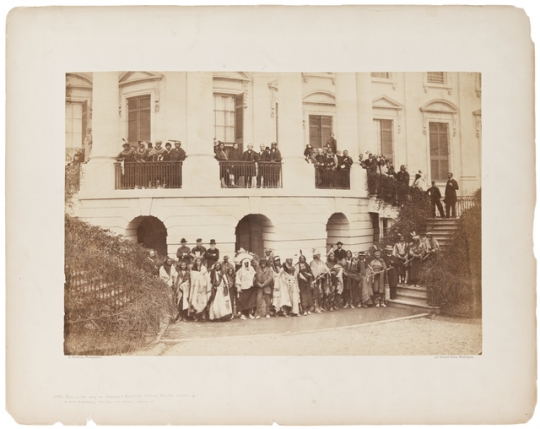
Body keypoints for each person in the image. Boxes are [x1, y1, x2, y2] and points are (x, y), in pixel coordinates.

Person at [235, 252, 257, 320]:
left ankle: (250, 313)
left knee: (250, 301)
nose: (246, 264)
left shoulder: (252, 270)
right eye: (245, 263)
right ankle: (242, 314)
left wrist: (254, 282)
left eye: (248, 263)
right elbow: (238, 279)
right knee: (242, 301)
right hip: (243, 288)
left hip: (250, 287)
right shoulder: (240, 271)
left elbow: (255, 277)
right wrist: (238, 287)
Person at [189, 257, 211, 321]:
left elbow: (207, 277)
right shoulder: (193, 268)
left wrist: (206, 285)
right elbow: (192, 276)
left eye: (199, 261)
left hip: (202, 285)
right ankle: (196, 316)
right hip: (195, 287)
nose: (198, 262)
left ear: (201, 262)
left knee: (203, 301)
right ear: (195, 262)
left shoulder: (203, 268)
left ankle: (203, 316)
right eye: (197, 261)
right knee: (196, 300)